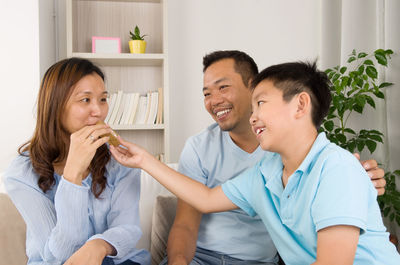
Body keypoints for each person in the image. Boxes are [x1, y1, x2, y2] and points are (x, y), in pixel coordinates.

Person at [110, 60, 400, 264]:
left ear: (300, 105)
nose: (253, 116)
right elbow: (207, 198)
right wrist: (145, 160)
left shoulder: (337, 168)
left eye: (261, 103)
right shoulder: (266, 171)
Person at [4, 58, 150, 265]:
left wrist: (99, 245)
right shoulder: (21, 173)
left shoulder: (120, 161)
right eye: (85, 100)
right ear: (56, 106)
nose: (98, 111)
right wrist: (72, 175)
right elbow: (60, 255)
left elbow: (128, 228)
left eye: (103, 99)